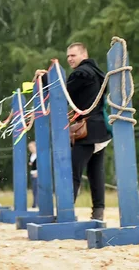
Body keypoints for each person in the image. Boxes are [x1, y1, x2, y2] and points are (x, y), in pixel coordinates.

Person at [34, 42, 110, 220]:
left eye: (73, 55)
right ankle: (98, 213)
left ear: (83, 54)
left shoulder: (82, 72)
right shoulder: (98, 73)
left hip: (87, 132)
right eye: (68, 56)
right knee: (95, 173)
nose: (69, 59)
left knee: (72, 172)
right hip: (101, 130)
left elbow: (61, 92)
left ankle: (65, 213)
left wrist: (45, 78)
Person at [28, 140, 37, 208]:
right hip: (32, 173)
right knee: (34, 190)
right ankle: (35, 204)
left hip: (37, 173)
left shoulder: (38, 154)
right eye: (29, 147)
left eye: (31, 147)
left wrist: (38, 172)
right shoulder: (31, 155)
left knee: (38, 189)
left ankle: (38, 204)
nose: (30, 149)